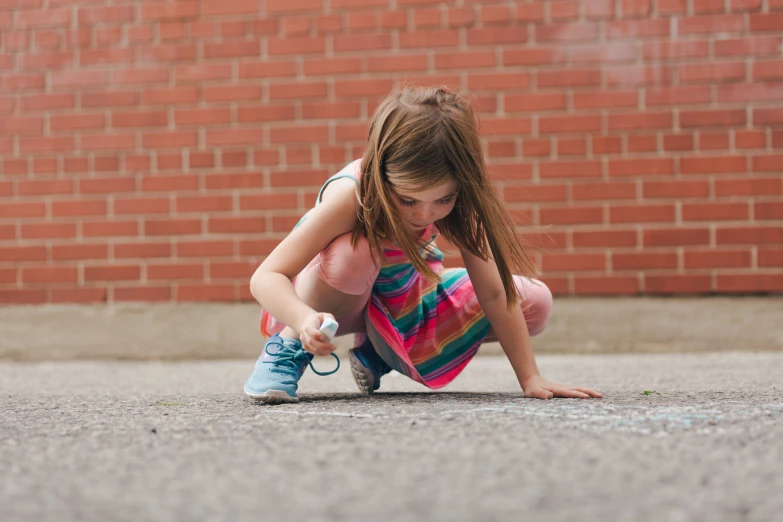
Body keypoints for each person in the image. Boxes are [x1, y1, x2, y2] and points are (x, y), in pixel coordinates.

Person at [244, 85, 602, 404]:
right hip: (327, 301)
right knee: (354, 254)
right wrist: (302, 320)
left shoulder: (463, 199)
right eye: (408, 200)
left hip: (403, 296)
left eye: (442, 200)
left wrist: (530, 377)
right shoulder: (353, 194)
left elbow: (494, 294)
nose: (424, 214)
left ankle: (377, 352)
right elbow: (267, 276)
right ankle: (286, 350)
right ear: (382, 172)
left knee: (534, 302)